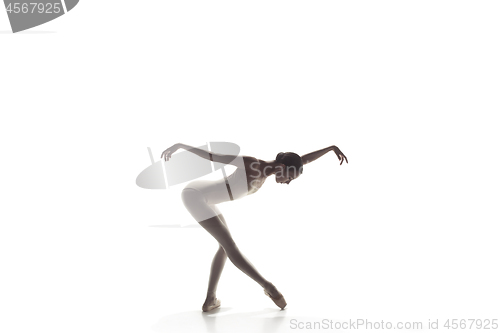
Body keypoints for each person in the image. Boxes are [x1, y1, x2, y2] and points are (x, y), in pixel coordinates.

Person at [161, 143, 348, 312]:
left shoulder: (271, 171)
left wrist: (330, 148)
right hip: (195, 195)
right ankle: (269, 287)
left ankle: (210, 299)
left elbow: (302, 160)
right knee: (230, 246)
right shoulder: (252, 164)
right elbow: (213, 156)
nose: (288, 182)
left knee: (224, 248)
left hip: (206, 198)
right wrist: (180, 146)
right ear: (283, 167)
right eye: (290, 177)